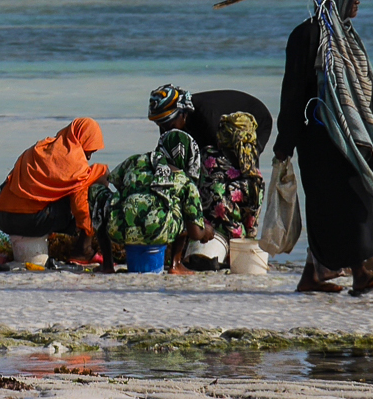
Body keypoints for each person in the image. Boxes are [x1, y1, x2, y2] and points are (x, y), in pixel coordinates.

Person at [273, 0, 373, 295]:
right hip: (322, 139)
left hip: (354, 139)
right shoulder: (307, 36)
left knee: (359, 204)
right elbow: (293, 92)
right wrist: (285, 142)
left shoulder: (347, 37)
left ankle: (316, 277)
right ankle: (357, 276)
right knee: (342, 208)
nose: (359, 2)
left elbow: (361, 94)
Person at [90, 130, 213, 274]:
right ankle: (175, 265)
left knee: (96, 192)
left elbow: (116, 181)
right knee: (182, 206)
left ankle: (108, 265)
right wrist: (206, 230)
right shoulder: (185, 181)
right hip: (161, 232)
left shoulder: (136, 161)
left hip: (119, 230)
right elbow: (195, 233)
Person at [0, 118, 108, 257]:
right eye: (89, 150)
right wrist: (88, 231)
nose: (89, 157)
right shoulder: (76, 165)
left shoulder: (40, 148)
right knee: (100, 174)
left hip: (2, 218)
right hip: (31, 222)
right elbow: (80, 206)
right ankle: (83, 248)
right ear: (83, 140)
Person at [148, 84, 273, 155]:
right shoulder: (168, 122)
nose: (165, 129)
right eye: (160, 124)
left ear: (182, 113)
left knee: (231, 167)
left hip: (257, 119)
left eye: (169, 124)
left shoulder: (206, 117)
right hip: (213, 126)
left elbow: (221, 156)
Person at [199, 111, 266, 242]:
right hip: (235, 244)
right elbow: (251, 226)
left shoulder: (208, 156)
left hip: (201, 236)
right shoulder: (255, 177)